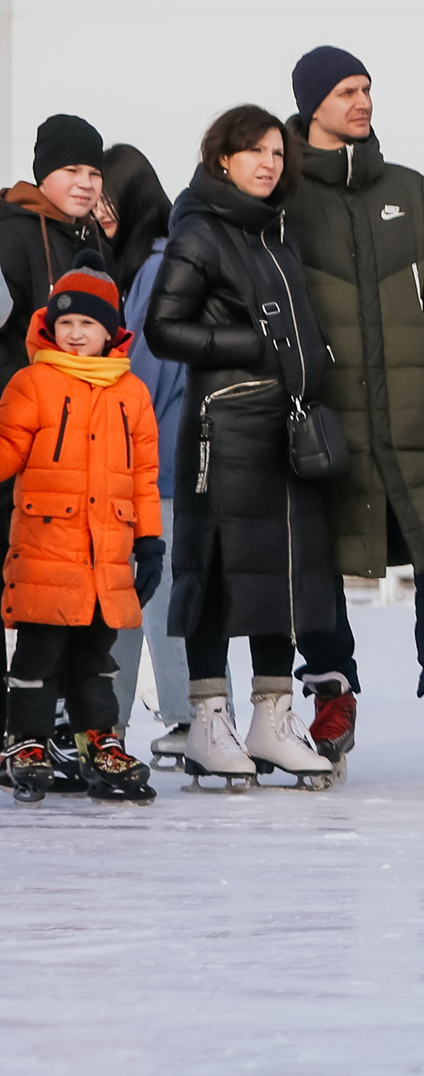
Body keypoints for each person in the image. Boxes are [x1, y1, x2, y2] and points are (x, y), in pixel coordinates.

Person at [283, 45, 424, 781]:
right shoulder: (289, 195)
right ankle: (332, 695)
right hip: (328, 415)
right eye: (346, 91)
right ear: (313, 107)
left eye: (366, 89)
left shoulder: (409, 188)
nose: (362, 102)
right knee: (322, 556)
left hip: (407, 412)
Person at [145, 106, 348, 789]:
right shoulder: (199, 232)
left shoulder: (276, 241)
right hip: (222, 429)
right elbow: (162, 328)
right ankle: (207, 717)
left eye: (277, 153)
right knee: (215, 567)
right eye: (253, 151)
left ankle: (273, 713)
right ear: (221, 159)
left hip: (281, 430)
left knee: (283, 569)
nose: (269, 163)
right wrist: (251, 345)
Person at [0, 268, 161, 803]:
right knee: (38, 656)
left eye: (87, 323)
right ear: (49, 325)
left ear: (110, 331)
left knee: (98, 659)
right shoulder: (32, 382)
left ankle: (101, 743)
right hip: (47, 551)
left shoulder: (132, 393)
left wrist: (150, 542)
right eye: (65, 321)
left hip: (106, 557)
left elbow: (144, 479)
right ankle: (26, 741)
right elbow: (7, 446)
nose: (74, 333)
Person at [96, 145, 191, 756]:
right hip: (142, 460)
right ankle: (109, 722)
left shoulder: (156, 268)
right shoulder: (130, 266)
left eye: (107, 199)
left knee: (162, 599)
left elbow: (148, 373)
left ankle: (194, 719)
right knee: (128, 596)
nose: (99, 211)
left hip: (158, 461)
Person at [0, 114, 111, 387]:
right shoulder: (12, 233)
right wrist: (20, 393)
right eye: (72, 170)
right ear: (44, 175)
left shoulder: (97, 242)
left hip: (86, 411)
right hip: (24, 409)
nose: (85, 183)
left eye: (94, 173)